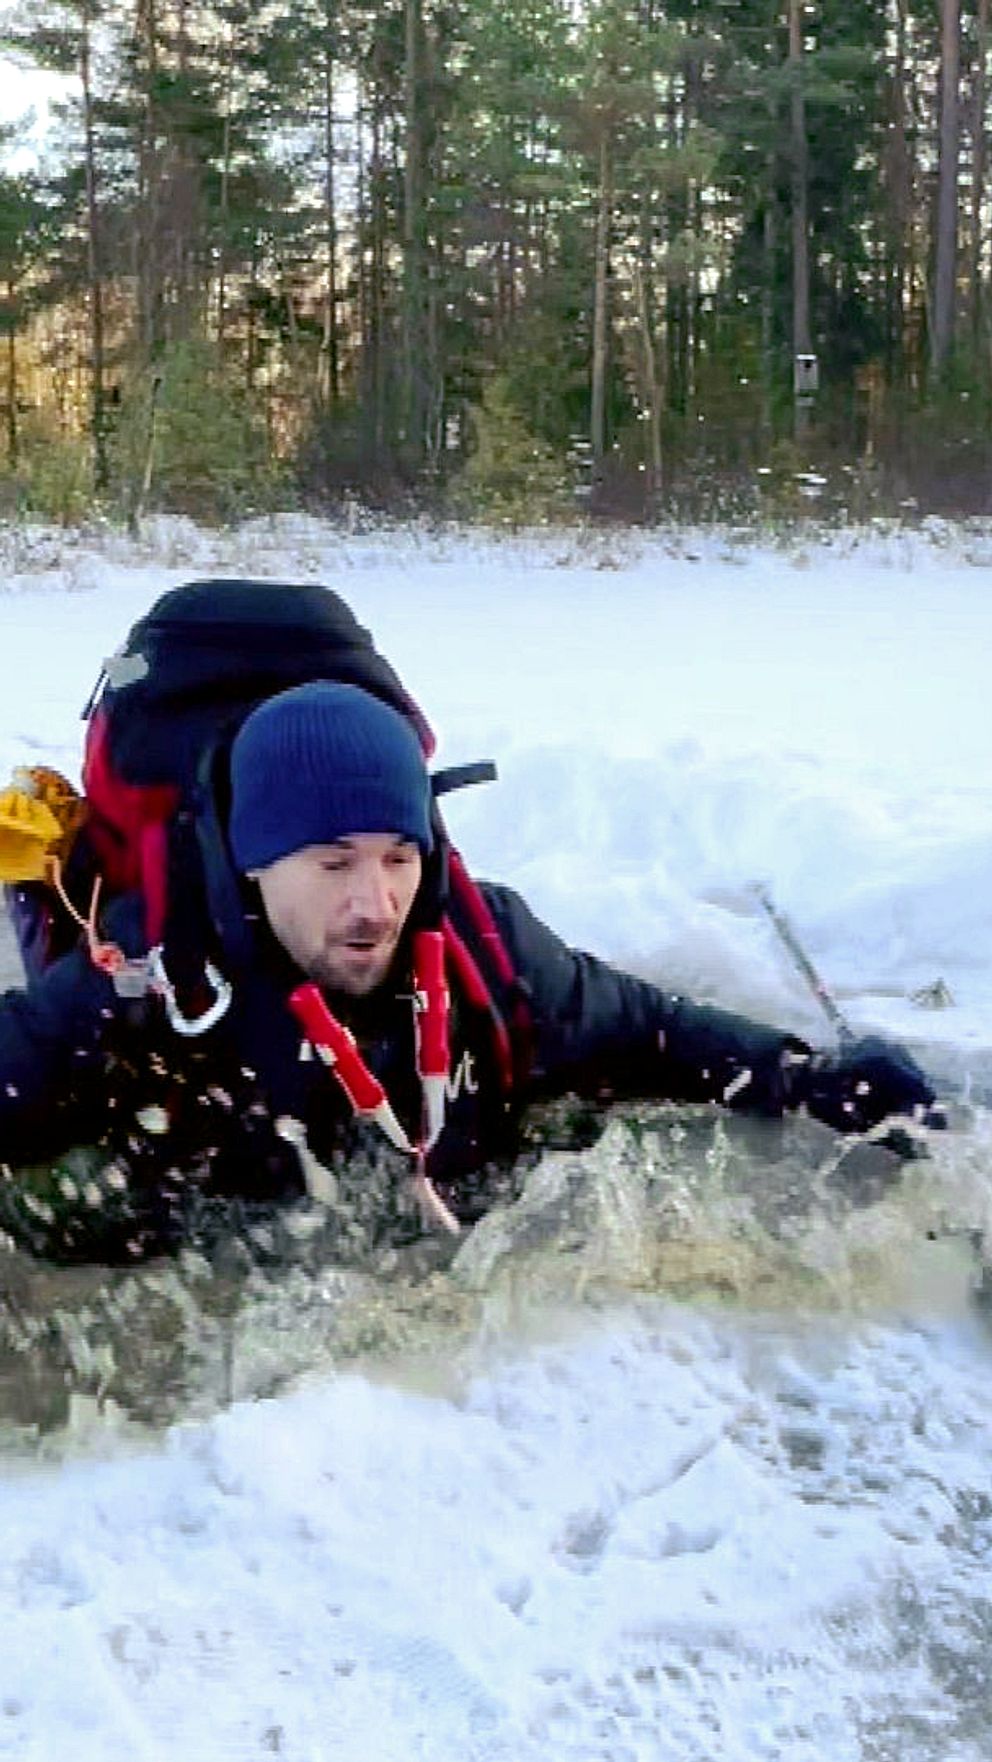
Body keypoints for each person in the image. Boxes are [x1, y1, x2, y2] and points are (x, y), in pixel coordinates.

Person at [0, 680, 937, 1261]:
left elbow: (650, 1030)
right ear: (255, 863)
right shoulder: (145, 976)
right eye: (332, 863)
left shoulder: (484, 945)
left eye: (397, 857)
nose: (374, 902)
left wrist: (809, 1077)